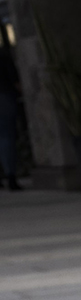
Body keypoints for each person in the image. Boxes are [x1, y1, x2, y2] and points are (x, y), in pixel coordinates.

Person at [0, 27, 21, 191]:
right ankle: (11, 176)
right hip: (4, 95)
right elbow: (14, 78)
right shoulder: (3, 55)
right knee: (6, 136)